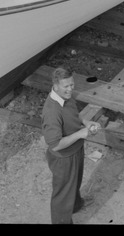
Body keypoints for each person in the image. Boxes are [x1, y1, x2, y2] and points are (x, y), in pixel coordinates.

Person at [41, 67, 100, 224]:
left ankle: (75, 205)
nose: (70, 89)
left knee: (75, 182)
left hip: (75, 149)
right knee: (62, 194)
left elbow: (75, 114)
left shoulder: (66, 97)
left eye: (72, 85)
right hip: (63, 158)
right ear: (55, 85)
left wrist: (86, 122)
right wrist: (81, 134)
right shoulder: (52, 111)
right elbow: (55, 145)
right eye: (66, 86)